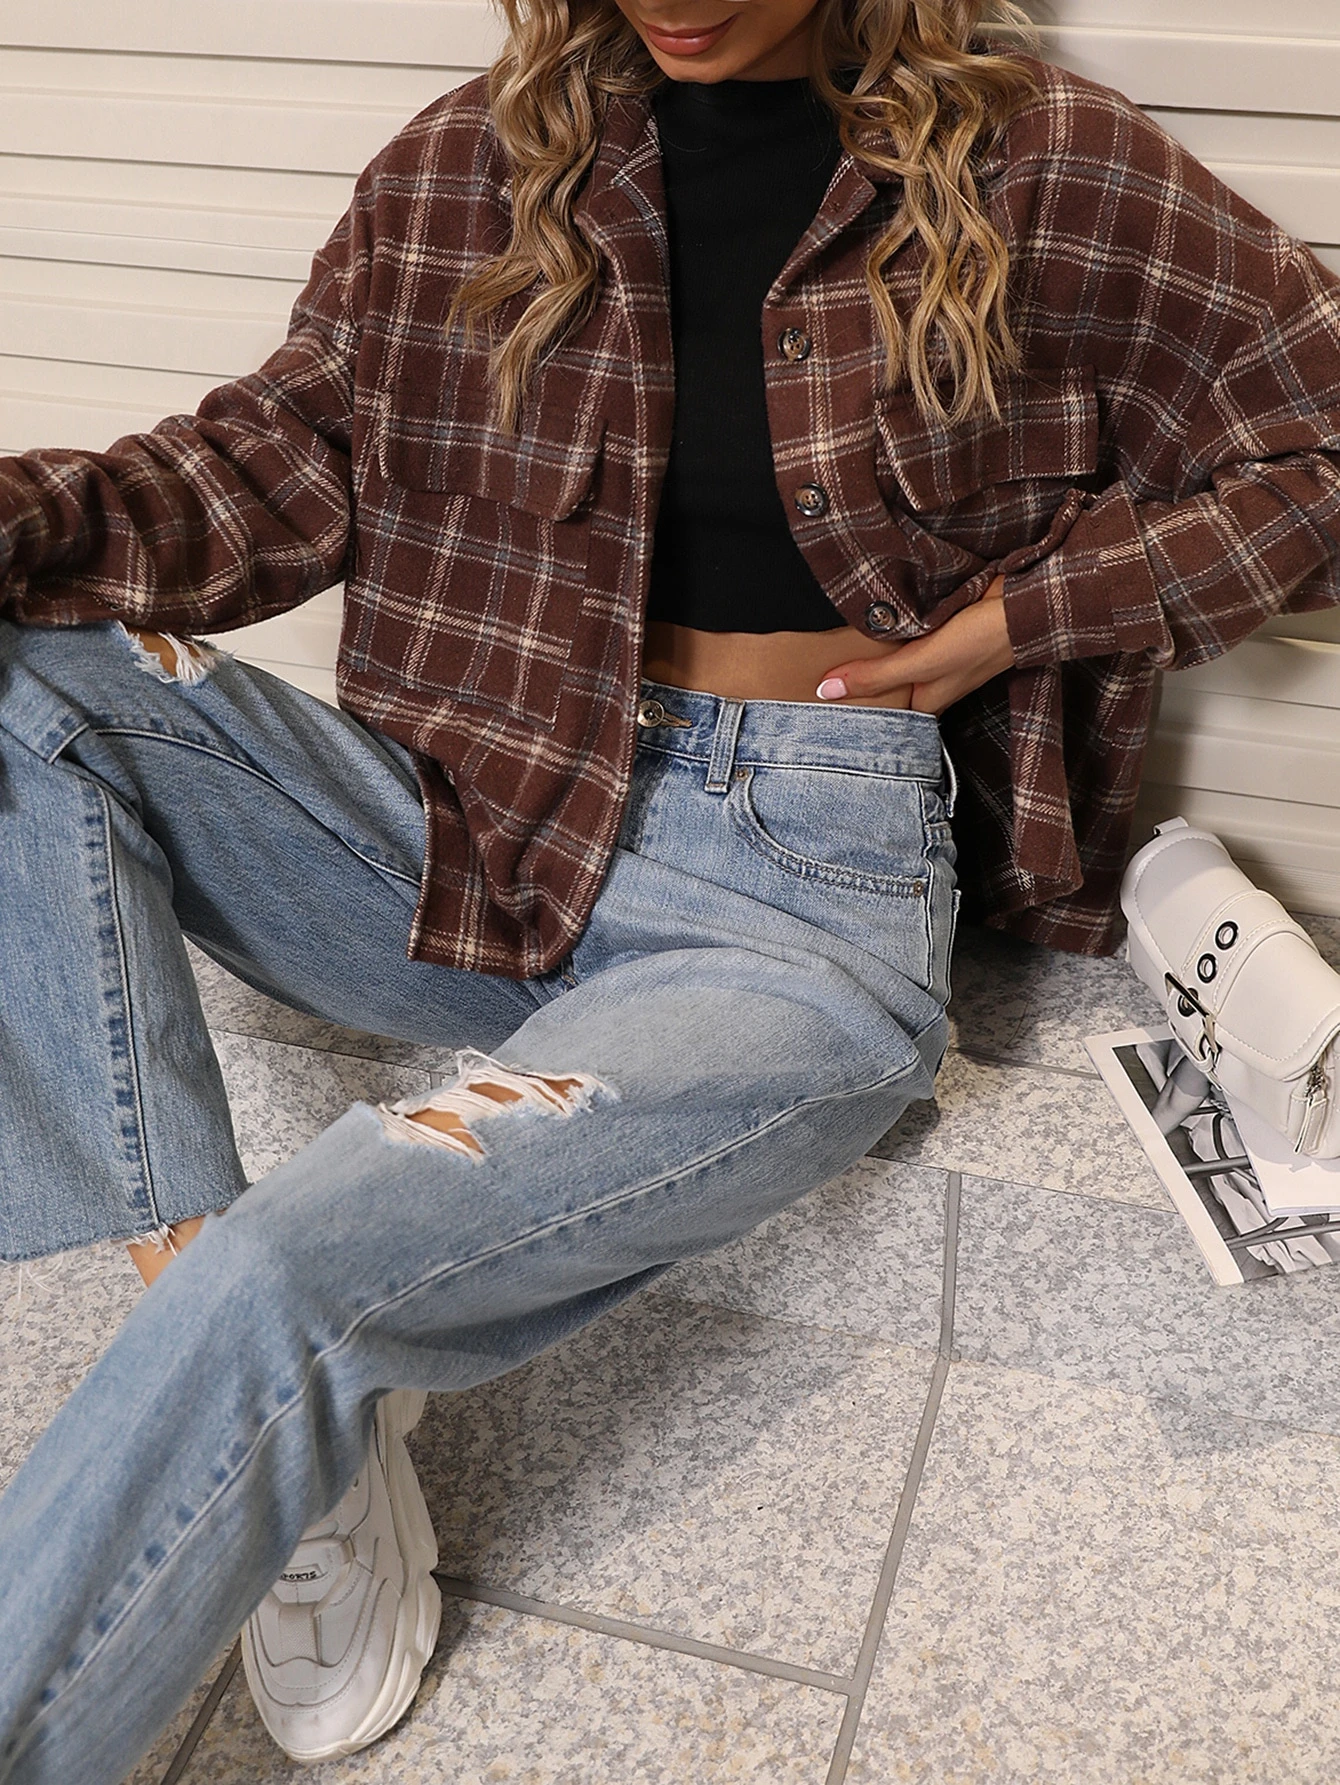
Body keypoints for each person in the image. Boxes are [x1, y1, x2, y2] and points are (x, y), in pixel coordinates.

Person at [1, 0, 1338, 1778]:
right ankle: (272, 1423)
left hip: (797, 892)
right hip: (479, 826)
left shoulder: (1043, 166)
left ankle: (259, 1378)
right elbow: (271, 466)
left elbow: (1317, 449)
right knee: (20, 670)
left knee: (289, 1276)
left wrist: (1019, 622)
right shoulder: (469, 165)